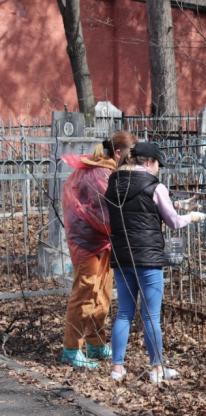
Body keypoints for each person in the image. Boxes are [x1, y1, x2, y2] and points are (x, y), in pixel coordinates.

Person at [104, 142, 206, 384]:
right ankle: (157, 368)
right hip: (148, 259)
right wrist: (191, 216)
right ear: (149, 162)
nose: (159, 170)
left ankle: (117, 368)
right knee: (151, 316)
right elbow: (173, 222)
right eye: (158, 165)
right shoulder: (154, 185)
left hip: (122, 256)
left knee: (124, 312)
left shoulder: (113, 182)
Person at [60, 131, 137, 369]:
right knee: (85, 293)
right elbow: (110, 212)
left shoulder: (105, 171)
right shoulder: (99, 174)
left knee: (102, 294)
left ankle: (95, 342)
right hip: (87, 243)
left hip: (101, 241)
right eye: (130, 156)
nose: (132, 162)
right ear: (118, 153)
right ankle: (72, 348)